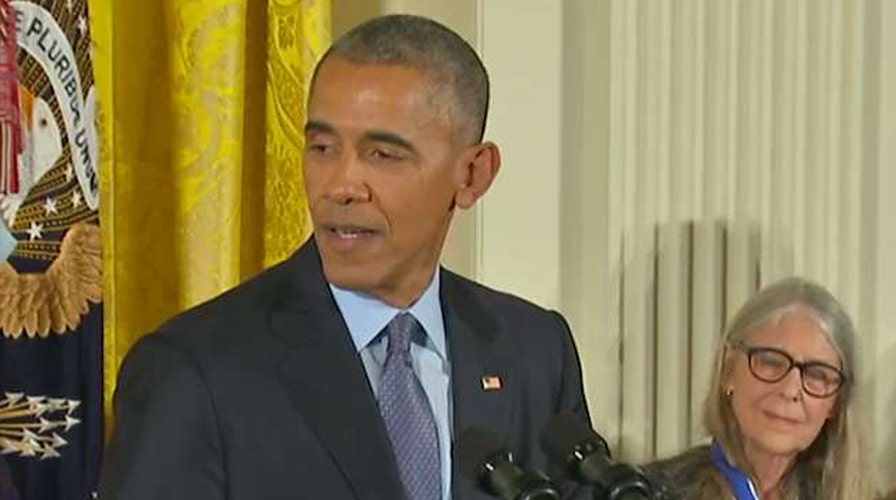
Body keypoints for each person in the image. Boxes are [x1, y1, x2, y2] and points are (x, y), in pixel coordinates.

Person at [97, 14, 590, 500]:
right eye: (323, 147)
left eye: (382, 154)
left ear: (472, 175)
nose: (340, 186)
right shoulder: (193, 371)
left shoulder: (534, 351)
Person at [646, 277, 872, 499]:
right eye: (771, 362)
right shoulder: (651, 493)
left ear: (836, 403)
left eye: (816, 374)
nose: (790, 390)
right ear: (728, 370)